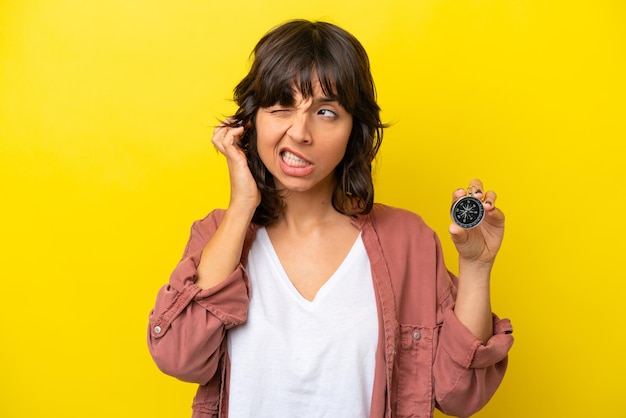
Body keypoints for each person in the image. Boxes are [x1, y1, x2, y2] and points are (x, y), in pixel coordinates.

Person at [147, 19, 513, 418]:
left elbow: (459, 395)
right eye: (281, 106)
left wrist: (477, 267)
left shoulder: (407, 240)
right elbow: (179, 357)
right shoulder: (219, 235)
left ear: (354, 128)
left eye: (325, 111)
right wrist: (241, 205)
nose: (300, 132)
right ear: (250, 122)